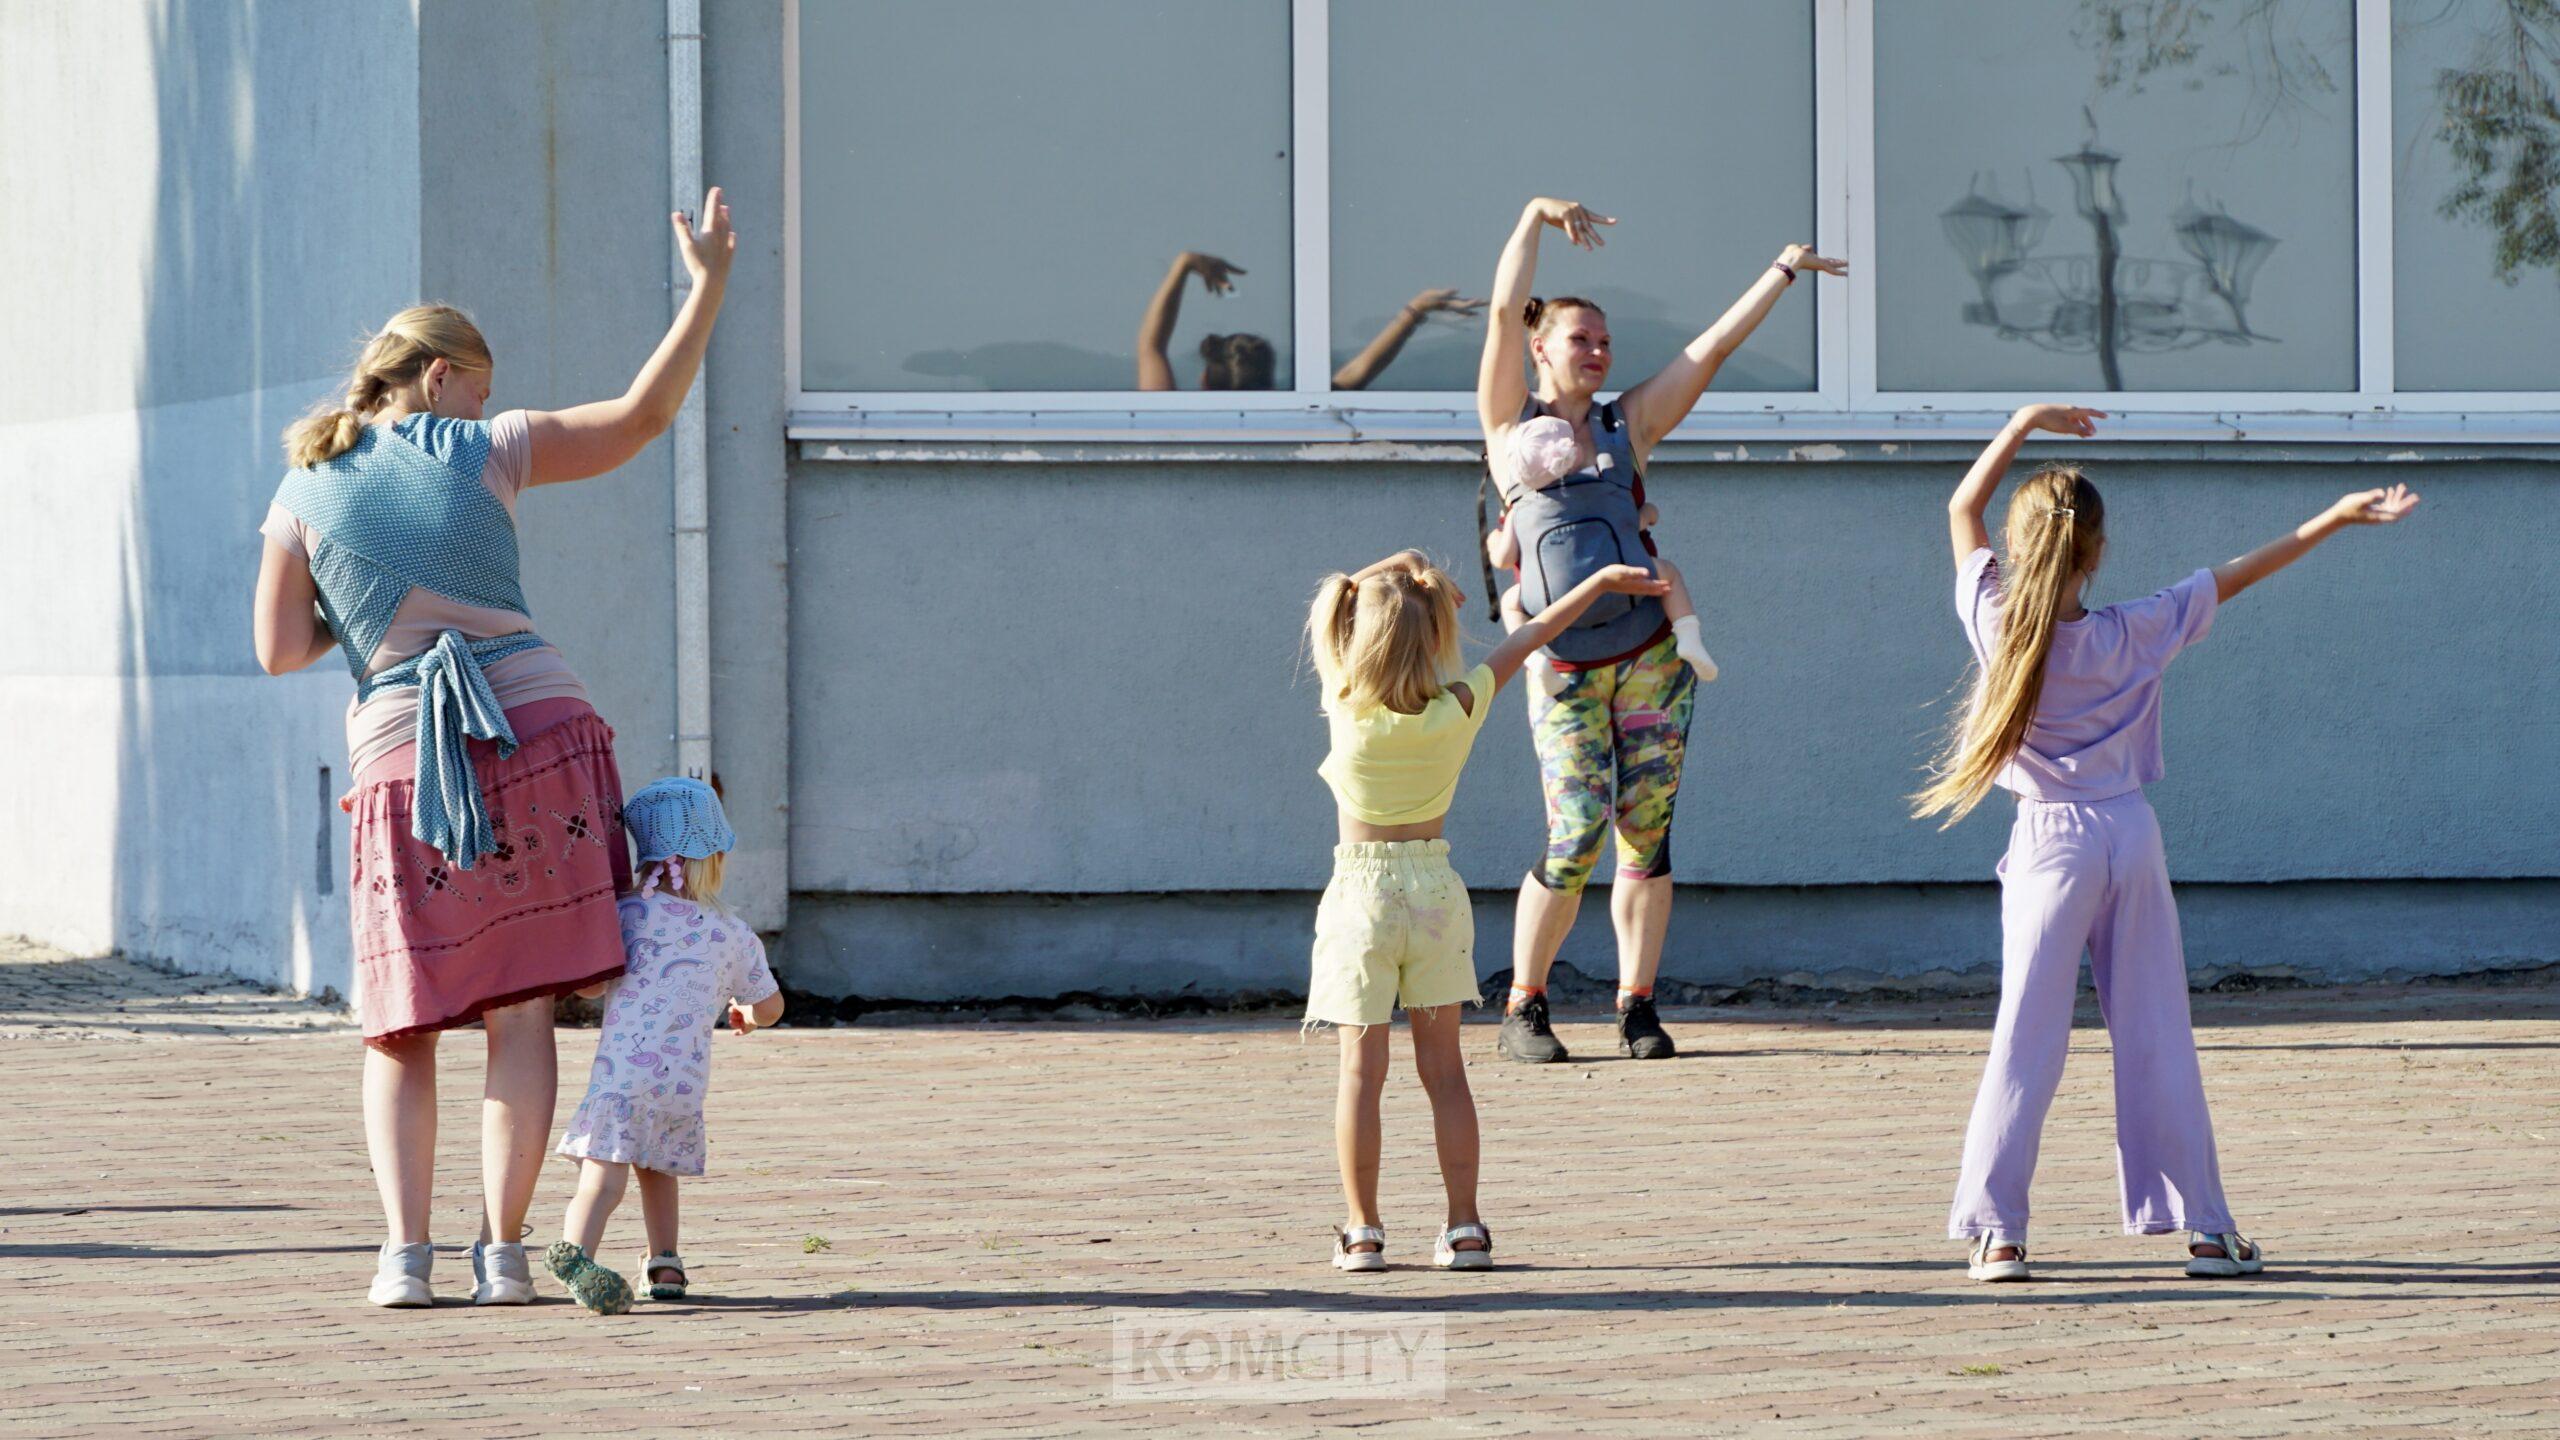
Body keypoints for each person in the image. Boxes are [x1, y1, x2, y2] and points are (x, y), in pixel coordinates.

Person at [251, 188, 738, 1308]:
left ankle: (401, 1262)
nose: (488, 404)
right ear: (440, 379)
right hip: (541, 737)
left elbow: (279, 649)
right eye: (483, 384)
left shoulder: (302, 488)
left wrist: (377, 615)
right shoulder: (489, 449)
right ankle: (506, 1259)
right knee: (521, 1007)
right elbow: (642, 417)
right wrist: (706, 284)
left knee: (403, 1021)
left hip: (401, 761)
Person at [1921, 402, 2421, 1283]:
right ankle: (2206, 1231)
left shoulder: (1998, 624)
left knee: (2024, 1039)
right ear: (2097, 551)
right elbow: (2237, 573)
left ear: (2023, 545)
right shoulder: (2138, 629)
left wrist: (2025, 420)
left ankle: (1998, 1234)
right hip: (2130, 835)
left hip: (2048, 846)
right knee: (2157, 1031)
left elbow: (1961, 508)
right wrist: (2335, 518)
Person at [1474, 196, 1843, 1063]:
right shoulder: (1506, 429)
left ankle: (1637, 1006)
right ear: (1541, 347)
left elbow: (1708, 349)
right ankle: (1524, 1007)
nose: (1598, 353)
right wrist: (1531, 216)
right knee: (1574, 836)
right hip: (1562, 667)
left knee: (1646, 832)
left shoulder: (1625, 424)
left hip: (1649, 661)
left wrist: (1781, 272)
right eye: (1580, 339)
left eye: (1605, 341)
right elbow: (1499, 308)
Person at [1306, 549, 1668, 1272]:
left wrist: (1396, 567)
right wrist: (1596, 584)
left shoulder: (1346, 704)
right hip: (1436, 894)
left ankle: (1363, 1231)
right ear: (1435, 635)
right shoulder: (1458, 706)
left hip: (1361, 896)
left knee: (1359, 1073)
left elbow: (1337, 599)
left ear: (1358, 641)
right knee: (1444, 1072)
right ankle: (1465, 1227)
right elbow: (1529, 636)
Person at [546, 777, 784, 1314]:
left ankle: (575, 1253)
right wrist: (745, 1011)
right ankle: (666, 1262)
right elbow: (770, 1008)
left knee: (602, 1182)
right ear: (715, 854)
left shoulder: (625, 915)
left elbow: (587, 986)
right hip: (680, 1087)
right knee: (659, 1171)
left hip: (622, 1082)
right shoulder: (733, 932)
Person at [1485, 409, 1716, 694]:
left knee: (1510, 602)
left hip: (1553, 608)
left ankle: (1534, 659)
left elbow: (1503, 559)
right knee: (1668, 573)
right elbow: (1633, 524)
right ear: (1574, 452)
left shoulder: (1521, 509)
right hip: (1624, 592)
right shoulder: (1604, 488)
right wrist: (1651, 513)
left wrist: (1493, 540)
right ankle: (1688, 636)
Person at [1137, 250, 1482, 390]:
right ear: (1271, 381)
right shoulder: (1281, 423)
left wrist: (1183, 265)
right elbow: (1354, 375)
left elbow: (1151, 348)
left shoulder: (1178, 427)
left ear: (1205, 379)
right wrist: (1414, 312)